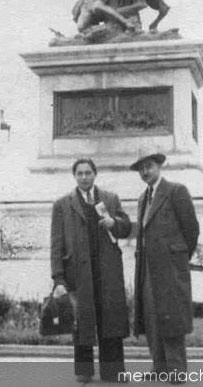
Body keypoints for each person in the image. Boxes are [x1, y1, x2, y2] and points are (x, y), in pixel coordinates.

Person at [50, 158, 131, 383]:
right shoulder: (62, 205)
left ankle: (113, 371)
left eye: (88, 173)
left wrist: (114, 223)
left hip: (107, 271)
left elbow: (126, 227)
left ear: (95, 174)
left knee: (110, 321)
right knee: (81, 321)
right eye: (80, 173)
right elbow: (56, 243)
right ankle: (84, 371)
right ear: (74, 176)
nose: (84, 177)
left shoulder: (110, 199)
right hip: (77, 272)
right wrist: (58, 277)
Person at [130, 145, 199, 384]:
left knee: (172, 318)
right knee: (151, 316)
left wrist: (177, 258)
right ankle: (159, 367)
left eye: (149, 166)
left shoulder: (176, 191)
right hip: (147, 269)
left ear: (159, 166)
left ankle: (177, 370)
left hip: (170, 268)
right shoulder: (142, 199)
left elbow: (191, 231)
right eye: (141, 168)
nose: (145, 172)